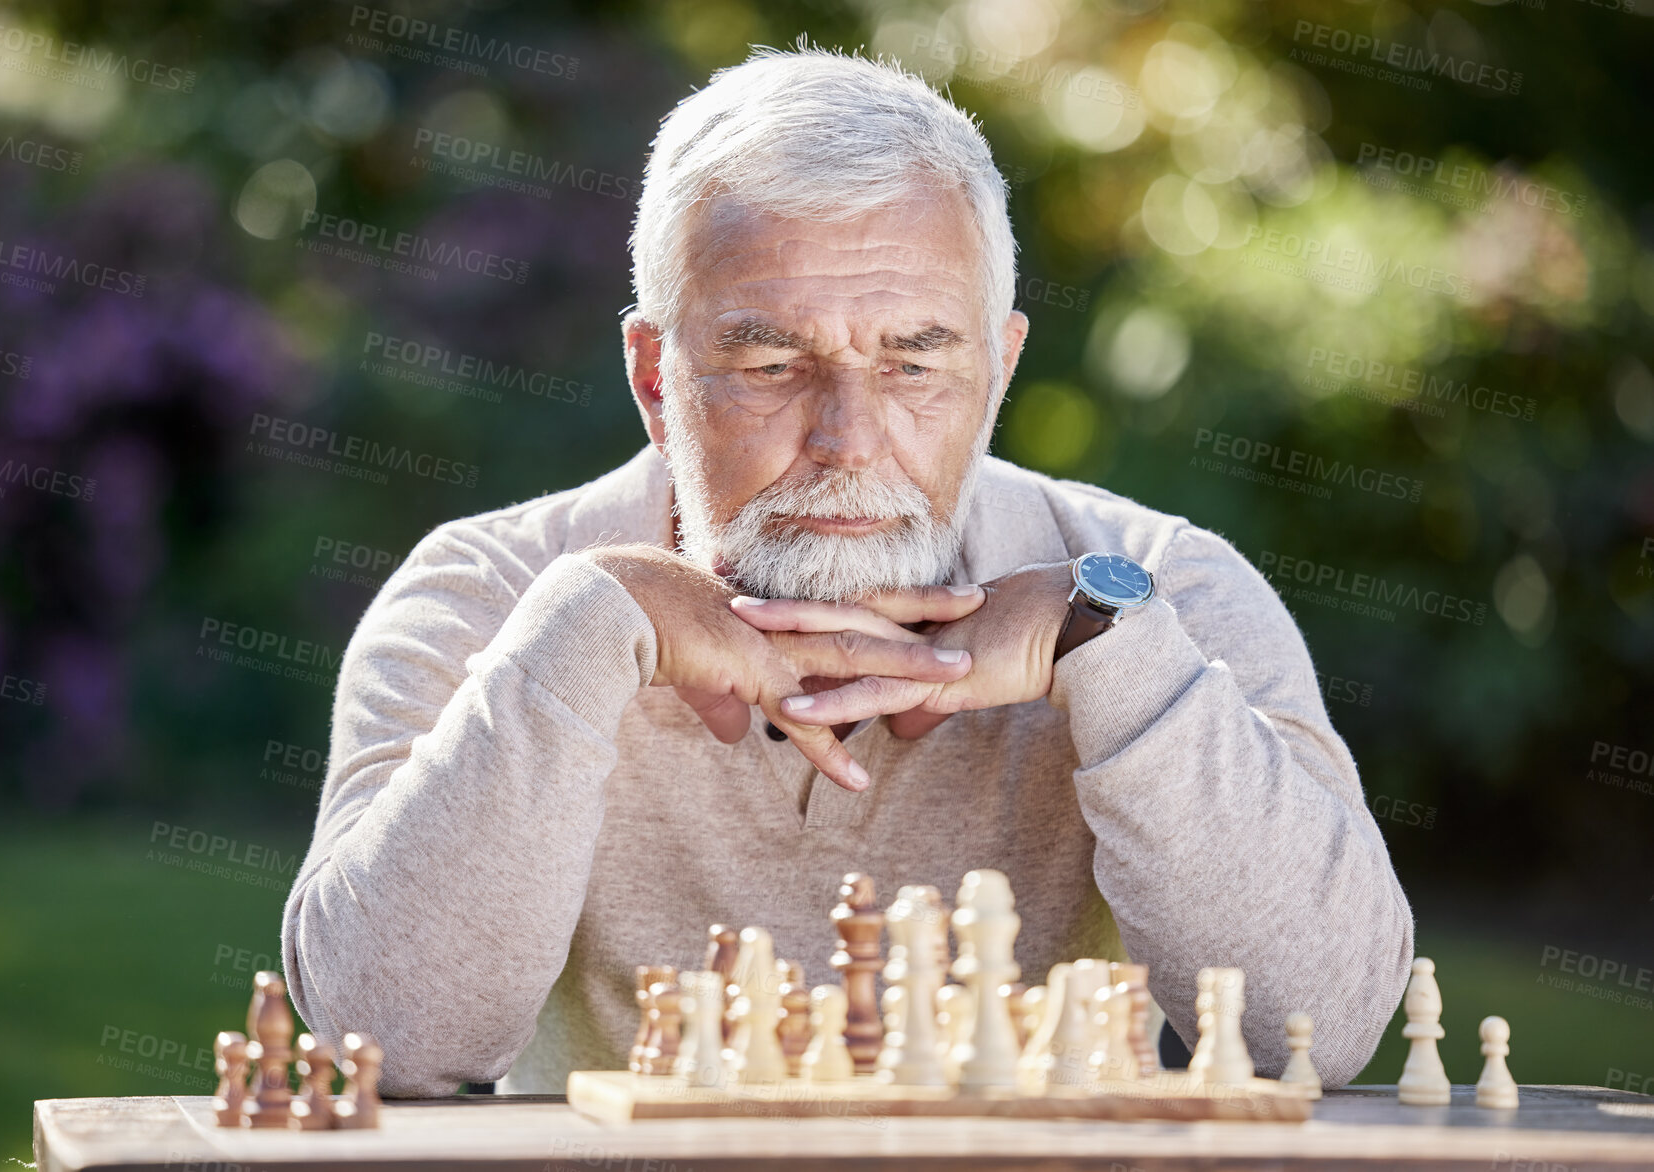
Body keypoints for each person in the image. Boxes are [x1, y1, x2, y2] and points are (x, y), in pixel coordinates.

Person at [281, 46, 1413, 1097]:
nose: (848, 438)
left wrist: (1108, 647)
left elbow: (1319, 1027)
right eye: (770, 361)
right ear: (654, 374)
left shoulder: (1162, 587)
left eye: (915, 361)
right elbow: (386, 1043)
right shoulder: (487, 594)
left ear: (1000, 365)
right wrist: (581, 632)